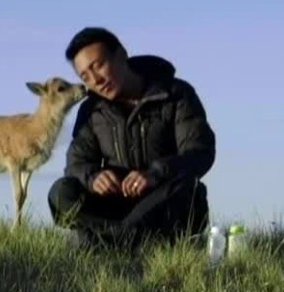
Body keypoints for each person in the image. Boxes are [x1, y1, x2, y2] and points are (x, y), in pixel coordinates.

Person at [48, 27, 217, 250]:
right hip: (115, 207)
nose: (95, 80)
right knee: (62, 191)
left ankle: (103, 243)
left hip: (164, 203)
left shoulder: (176, 94)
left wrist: (155, 174)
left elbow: (200, 151)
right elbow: (76, 163)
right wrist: (93, 177)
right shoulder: (91, 109)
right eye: (85, 76)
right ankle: (129, 241)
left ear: (120, 55)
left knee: (186, 187)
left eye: (98, 66)